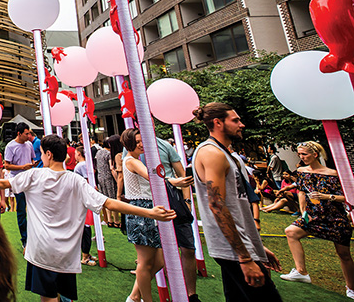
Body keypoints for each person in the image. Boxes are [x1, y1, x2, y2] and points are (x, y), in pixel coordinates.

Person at [0, 134, 176, 302]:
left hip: (41, 252)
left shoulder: (34, 176)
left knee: (48, 298)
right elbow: (108, 203)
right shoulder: (76, 181)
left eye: (41, 154)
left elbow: (3, 184)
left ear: (48, 154)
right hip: (66, 254)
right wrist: (149, 212)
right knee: (60, 295)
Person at [192, 102, 282, 301]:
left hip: (240, 245)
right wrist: (245, 256)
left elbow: (238, 203)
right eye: (235, 120)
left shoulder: (230, 155)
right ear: (218, 123)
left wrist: (256, 246)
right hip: (232, 250)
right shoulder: (211, 153)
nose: (241, 125)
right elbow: (217, 206)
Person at [121, 130, 196, 302]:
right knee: (145, 262)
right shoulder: (131, 161)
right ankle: (142, 299)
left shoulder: (136, 160)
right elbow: (152, 177)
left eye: (142, 141)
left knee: (159, 261)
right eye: (137, 141)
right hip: (142, 212)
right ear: (129, 143)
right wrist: (174, 181)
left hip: (152, 210)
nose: (141, 144)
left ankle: (134, 297)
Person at [280, 141, 354, 296]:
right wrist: (303, 212)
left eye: (304, 154)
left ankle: (351, 288)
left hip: (335, 218)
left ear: (315, 155)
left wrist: (327, 196)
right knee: (291, 231)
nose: (301, 157)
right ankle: (301, 272)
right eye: (299, 154)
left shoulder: (333, 173)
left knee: (344, 255)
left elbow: (348, 197)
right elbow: (301, 192)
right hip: (313, 216)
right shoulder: (301, 171)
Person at [3, 122, 35, 248]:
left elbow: (32, 158)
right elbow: (7, 165)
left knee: (33, 208)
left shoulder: (29, 145)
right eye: (26, 133)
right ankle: (25, 239)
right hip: (17, 180)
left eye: (29, 133)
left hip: (30, 180)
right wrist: (23, 166)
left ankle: (33, 236)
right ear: (19, 133)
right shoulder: (11, 146)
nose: (28, 136)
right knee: (21, 209)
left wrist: (32, 164)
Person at [96, 136, 119, 228]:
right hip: (109, 178)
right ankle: (116, 220)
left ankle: (109, 220)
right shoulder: (109, 154)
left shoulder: (98, 152)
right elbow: (111, 167)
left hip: (100, 177)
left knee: (105, 199)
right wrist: (117, 179)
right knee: (112, 198)